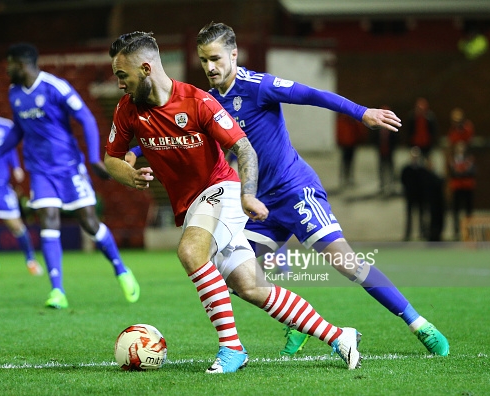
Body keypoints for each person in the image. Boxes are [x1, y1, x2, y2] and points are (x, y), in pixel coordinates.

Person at [105, 31, 362, 374]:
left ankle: (232, 348)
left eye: (123, 75)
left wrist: (247, 194)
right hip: (191, 204)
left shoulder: (197, 101)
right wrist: (129, 175)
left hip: (220, 189)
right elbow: (112, 159)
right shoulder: (127, 110)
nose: (119, 84)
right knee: (251, 287)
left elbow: (244, 148)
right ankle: (339, 336)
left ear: (146, 68)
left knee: (190, 252)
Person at [191, 22, 448, 357]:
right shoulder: (208, 102)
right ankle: (300, 324)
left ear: (234, 54)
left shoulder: (258, 86)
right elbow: (187, 137)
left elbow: (311, 95)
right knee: (237, 276)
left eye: (215, 58)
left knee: (346, 262)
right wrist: (140, 155)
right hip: (260, 205)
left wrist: (362, 113)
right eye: (203, 60)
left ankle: (419, 323)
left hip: (294, 189)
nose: (210, 67)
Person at [0, 43, 139, 308]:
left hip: (68, 167)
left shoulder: (55, 87)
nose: (6, 69)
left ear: (22, 64)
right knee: (48, 220)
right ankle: (57, 291)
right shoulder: (14, 92)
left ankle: (121, 269)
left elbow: (85, 118)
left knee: (89, 222)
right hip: (39, 170)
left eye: (10, 63)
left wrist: (94, 157)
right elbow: (18, 129)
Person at [0, 92, 43, 275]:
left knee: (16, 225)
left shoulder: (5, 126)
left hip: (1, 184)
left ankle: (30, 260)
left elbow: (10, 149)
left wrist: (16, 167)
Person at [447, 141, 476, 240]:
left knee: (468, 210)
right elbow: (452, 173)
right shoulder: (453, 160)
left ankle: (469, 231)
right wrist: (461, 173)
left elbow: (471, 172)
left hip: (467, 187)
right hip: (456, 187)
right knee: (456, 210)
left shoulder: (469, 159)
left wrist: (460, 173)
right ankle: (456, 231)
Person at [401, 147, 429, 241]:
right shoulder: (406, 169)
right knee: (409, 215)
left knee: (421, 215)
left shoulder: (422, 169)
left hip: (420, 196)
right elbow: (403, 180)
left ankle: (422, 232)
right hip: (410, 195)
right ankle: (408, 234)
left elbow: (425, 182)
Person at [373, 105, 399, 196]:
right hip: (381, 151)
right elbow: (375, 139)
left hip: (389, 151)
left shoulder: (392, 126)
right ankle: (382, 185)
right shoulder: (377, 127)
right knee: (382, 169)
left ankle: (391, 185)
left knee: (390, 168)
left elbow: (395, 138)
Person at [336, 113, 364, 187]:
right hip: (345, 144)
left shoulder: (354, 122)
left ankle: (349, 178)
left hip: (352, 144)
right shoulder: (343, 121)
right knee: (345, 162)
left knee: (350, 162)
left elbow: (359, 131)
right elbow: (340, 132)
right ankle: (344, 178)